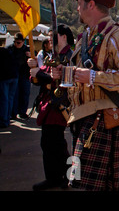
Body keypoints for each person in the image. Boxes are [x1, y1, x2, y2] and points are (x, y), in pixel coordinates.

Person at [60, 0, 119, 191]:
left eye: (79, 5)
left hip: (102, 119)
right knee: (79, 180)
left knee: (93, 186)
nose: (77, 9)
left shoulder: (117, 34)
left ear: (91, 5)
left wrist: (94, 76)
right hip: (81, 115)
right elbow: (78, 70)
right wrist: (62, 72)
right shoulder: (85, 36)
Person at [27, 24, 74, 191]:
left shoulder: (70, 55)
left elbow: (59, 81)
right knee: (48, 144)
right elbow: (43, 79)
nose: (50, 38)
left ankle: (71, 177)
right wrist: (34, 70)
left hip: (62, 105)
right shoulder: (53, 55)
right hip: (49, 105)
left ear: (63, 37)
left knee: (59, 144)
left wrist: (38, 74)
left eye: (54, 34)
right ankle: (53, 178)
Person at [8, 33, 31, 119]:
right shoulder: (10, 49)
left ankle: (22, 112)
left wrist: (30, 56)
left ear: (23, 42)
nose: (16, 44)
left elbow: (35, 59)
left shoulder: (27, 49)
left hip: (25, 75)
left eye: (18, 43)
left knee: (25, 94)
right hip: (14, 74)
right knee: (14, 95)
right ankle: (13, 113)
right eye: (15, 42)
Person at [0, 46, 19, 128]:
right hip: (14, 76)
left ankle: (4, 120)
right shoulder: (8, 51)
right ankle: (7, 118)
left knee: (4, 99)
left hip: (4, 77)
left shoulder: (3, 52)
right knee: (9, 98)